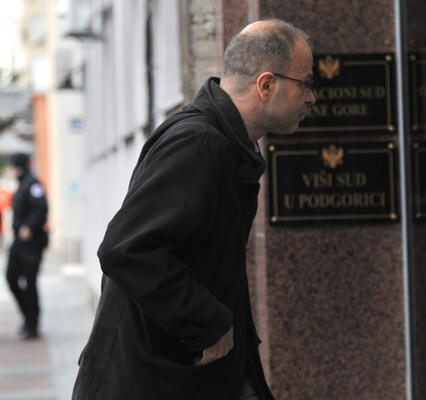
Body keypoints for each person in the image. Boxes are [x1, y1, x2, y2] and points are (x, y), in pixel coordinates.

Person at [72, 19, 315, 400]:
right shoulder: (199, 143)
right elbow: (126, 248)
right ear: (266, 85)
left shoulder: (224, 143)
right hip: (152, 381)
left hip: (188, 375)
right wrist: (208, 322)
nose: (312, 97)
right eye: (306, 83)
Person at [5, 153, 48, 340]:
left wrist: (29, 227)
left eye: (14, 167)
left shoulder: (33, 185)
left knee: (30, 283)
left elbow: (42, 209)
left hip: (32, 243)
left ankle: (32, 324)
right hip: (18, 242)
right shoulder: (22, 185)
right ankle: (27, 317)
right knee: (11, 277)